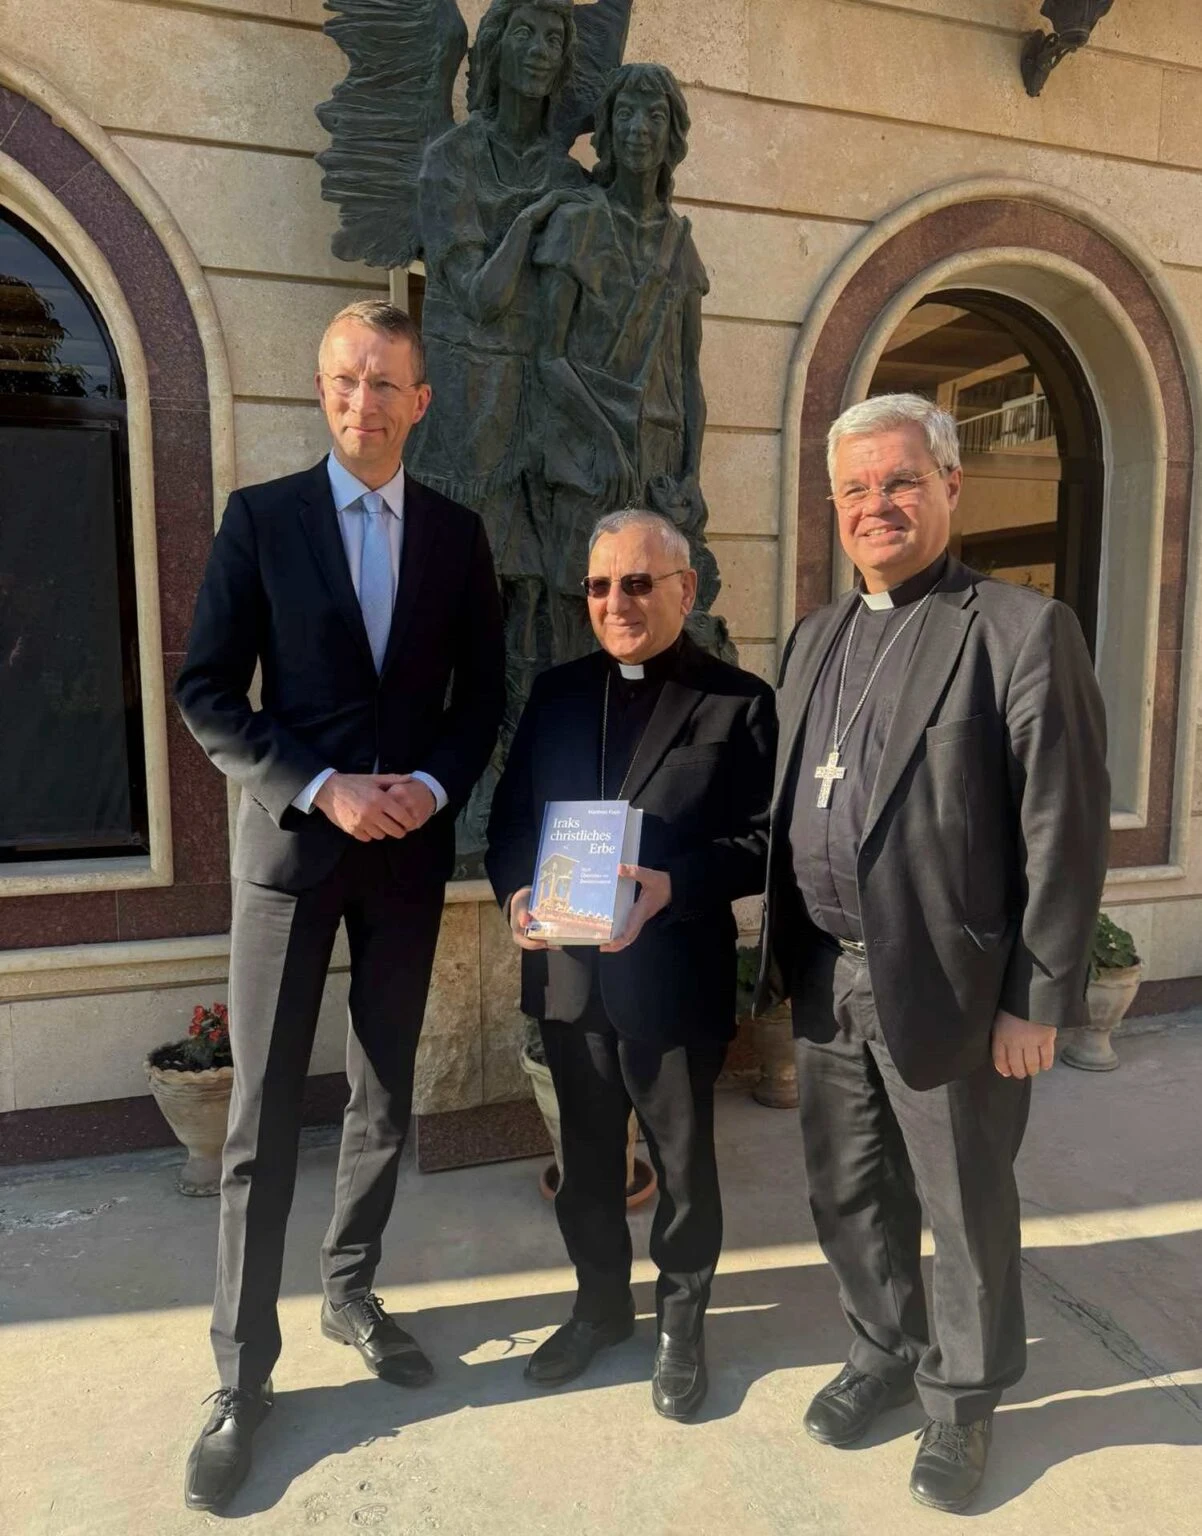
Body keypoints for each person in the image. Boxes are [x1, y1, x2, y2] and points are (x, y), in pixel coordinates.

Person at [174, 300, 505, 1512]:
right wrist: (319, 788)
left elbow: (481, 697)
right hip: (292, 862)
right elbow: (208, 692)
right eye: (343, 381)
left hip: (407, 865)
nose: (362, 402)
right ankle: (239, 1374)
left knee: (382, 1090)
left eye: (385, 384)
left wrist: (425, 784)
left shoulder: (458, 538)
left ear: (421, 402)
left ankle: (351, 1286)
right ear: (322, 393)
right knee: (260, 1113)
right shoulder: (262, 521)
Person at [758, 393, 1109, 1512]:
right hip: (824, 973)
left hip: (951, 984)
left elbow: (1061, 827)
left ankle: (959, 1402)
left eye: (900, 481)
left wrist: (1036, 1000)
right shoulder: (815, 637)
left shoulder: (1014, 631)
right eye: (855, 488)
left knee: (959, 1202)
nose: (877, 505)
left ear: (949, 486)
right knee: (846, 1191)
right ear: (832, 505)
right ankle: (878, 1351)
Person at [486, 508, 776, 1419]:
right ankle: (601, 1308)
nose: (617, 602)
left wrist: (676, 885)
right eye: (601, 585)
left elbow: (765, 840)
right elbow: (509, 826)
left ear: (685, 590)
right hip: (569, 980)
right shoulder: (559, 692)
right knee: (584, 1161)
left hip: (674, 977)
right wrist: (515, 896)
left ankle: (681, 1324)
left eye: (639, 582)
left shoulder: (737, 700)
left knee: (684, 1168)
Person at [534, 62, 715, 664]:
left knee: (659, 619)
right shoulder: (576, 222)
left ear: (672, 138)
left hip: (658, 461)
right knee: (579, 621)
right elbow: (549, 357)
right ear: (606, 131)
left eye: (655, 117)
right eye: (626, 115)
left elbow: (688, 374)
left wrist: (688, 471)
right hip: (587, 461)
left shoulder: (678, 242)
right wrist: (606, 441)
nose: (640, 129)